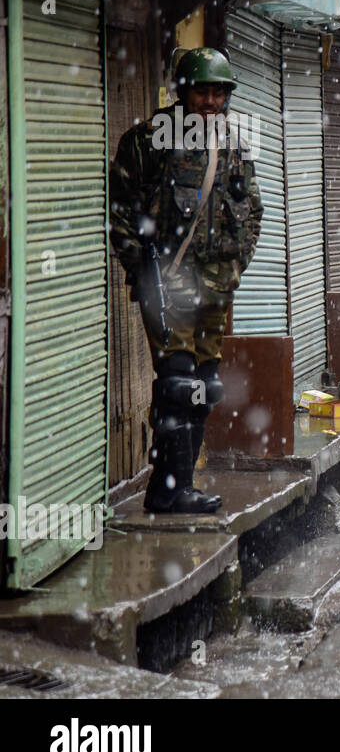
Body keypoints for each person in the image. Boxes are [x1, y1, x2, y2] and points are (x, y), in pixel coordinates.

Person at [109, 47, 263, 513]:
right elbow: (119, 211)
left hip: (215, 290)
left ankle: (175, 488)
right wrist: (142, 271)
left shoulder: (234, 143)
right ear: (182, 91)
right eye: (203, 91)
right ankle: (170, 490)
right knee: (177, 383)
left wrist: (234, 270)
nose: (211, 101)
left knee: (204, 386)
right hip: (170, 286)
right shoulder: (149, 141)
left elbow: (252, 211)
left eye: (219, 92)